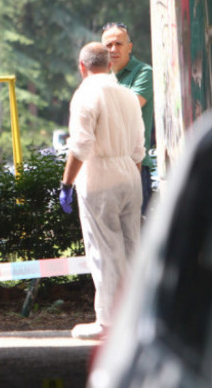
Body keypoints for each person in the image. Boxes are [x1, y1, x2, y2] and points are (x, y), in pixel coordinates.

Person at [59, 42, 145, 340]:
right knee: (132, 246)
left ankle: (108, 322)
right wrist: (127, 180)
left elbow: (80, 146)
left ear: (81, 66)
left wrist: (66, 184)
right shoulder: (127, 94)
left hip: (99, 175)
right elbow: (138, 149)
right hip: (130, 174)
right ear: (109, 65)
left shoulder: (86, 94)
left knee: (104, 250)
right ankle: (137, 318)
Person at [101, 22, 154, 213]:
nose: (113, 49)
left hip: (135, 168)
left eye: (119, 44)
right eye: (108, 45)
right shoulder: (101, 77)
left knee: (140, 236)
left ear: (129, 47)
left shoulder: (144, 73)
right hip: (105, 170)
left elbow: (127, 109)